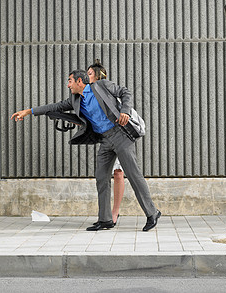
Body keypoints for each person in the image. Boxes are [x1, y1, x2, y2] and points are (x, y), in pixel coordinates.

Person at [11, 69, 161, 232]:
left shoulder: (101, 86)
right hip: (104, 139)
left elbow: (125, 92)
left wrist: (124, 110)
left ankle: (152, 213)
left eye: (70, 81)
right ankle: (105, 220)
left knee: (133, 175)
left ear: (79, 82)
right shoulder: (75, 100)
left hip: (120, 135)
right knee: (101, 177)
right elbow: (56, 106)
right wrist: (28, 112)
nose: (68, 85)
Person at [87, 59, 123, 225]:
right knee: (106, 174)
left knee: (118, 173)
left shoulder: (106, 87)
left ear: (98, 75)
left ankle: (114, 212)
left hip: (120, 134)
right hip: (107, 138)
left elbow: (124, 96)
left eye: (89, 74)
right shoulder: (89, 92)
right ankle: (106, 216)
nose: (87, 77)